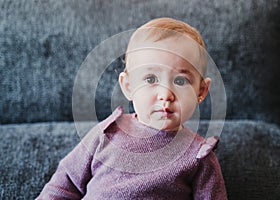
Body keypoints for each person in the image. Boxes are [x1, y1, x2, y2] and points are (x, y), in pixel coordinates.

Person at [36, 17, 227, 199]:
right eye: (150, 79)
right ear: (128, 86)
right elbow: (65, 184)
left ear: (200, 91)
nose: (166, 94)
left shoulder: (199, 156)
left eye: (180, 80)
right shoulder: (107, 132)